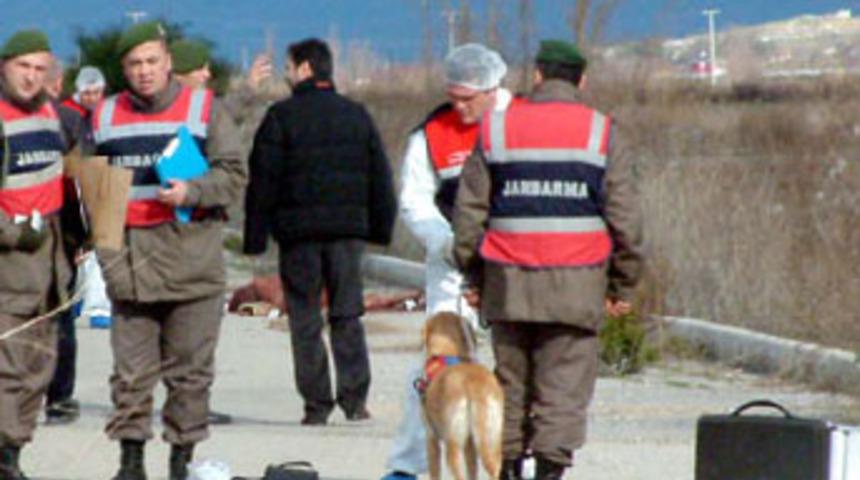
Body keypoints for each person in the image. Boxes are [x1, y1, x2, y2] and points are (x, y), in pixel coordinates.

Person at [452, 40, 645, 480]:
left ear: (537, 77)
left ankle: (507, 470)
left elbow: (469, 215)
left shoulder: (496, 130)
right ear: (582, 81)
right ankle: (550, 473)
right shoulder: (602, 132)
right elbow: (626, 221)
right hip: (577, 288)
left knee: (509, 386)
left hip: (508, 284)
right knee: (563, 392)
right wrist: (622, 284)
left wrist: (473, 273)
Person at [90, 21, 245, 480]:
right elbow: (94, 201)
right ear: (123, 68)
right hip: (131, 270)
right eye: (134, 63)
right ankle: (131, 463)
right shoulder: (104, 117)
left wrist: (192, 192)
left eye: (152, 61)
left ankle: (181, 463)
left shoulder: (204, 109)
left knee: (191, 377)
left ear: (168, 61)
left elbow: (234, 177)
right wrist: (109, 264)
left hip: (192, 269)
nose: (144, 71)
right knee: (131, 377)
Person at [243, 38, 396, 426]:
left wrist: (255, 237)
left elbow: (263, 180)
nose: (287, 75)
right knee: (347, 314)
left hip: (299, 236)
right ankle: (355, 399)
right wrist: (380, 228)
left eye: (290, 68)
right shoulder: (356, 115)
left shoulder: (281, 116)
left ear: (306, 69)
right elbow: (380, 177)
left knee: (305, 318)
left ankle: (316, 404)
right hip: (347, 234)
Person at [381, 43, 510, 480]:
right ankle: (408, 465)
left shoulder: (521, 122)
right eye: (452, 96)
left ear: (493, 89)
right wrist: (445, 242)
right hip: (454, 267)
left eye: (468, 98)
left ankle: (515, 461)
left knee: (515, 367)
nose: (458, 106)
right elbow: (414, 201)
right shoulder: (431, 135)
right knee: (436, 368)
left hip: (515, 265)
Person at [0, 29, 72, 479]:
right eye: (22, 66)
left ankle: (14, 450)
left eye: (39, 69)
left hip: (49, 271)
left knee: (37, 372)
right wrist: (12, 234)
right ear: (4, 66)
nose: (30, 77)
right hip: (8, 270)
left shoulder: (52, 116)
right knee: (7, 370)